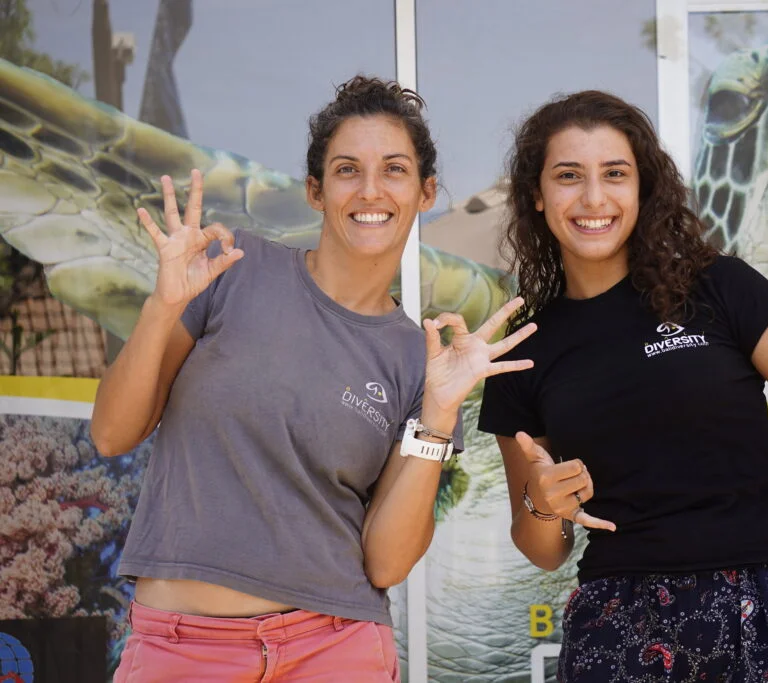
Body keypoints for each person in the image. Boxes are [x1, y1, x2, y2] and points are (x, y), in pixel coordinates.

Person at [90, 76, 535, 682]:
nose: (370, 190)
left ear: (426, 191)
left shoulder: (418, 356)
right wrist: (161, 306)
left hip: (334, 648)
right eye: (347, 169)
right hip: (182, 648)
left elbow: (385, 563)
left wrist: (439, 413)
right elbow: (113, 434)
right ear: (315, 191)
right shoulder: (232, 272)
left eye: (395, 170)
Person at [477, 90, 768, 682]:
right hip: (622, 617)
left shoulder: (716, 287)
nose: (594, 198)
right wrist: (544, 503)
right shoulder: (526, 345)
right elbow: (545, 547)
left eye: (614, 174)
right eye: (569, 176)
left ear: (642, 188)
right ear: (537, 196)